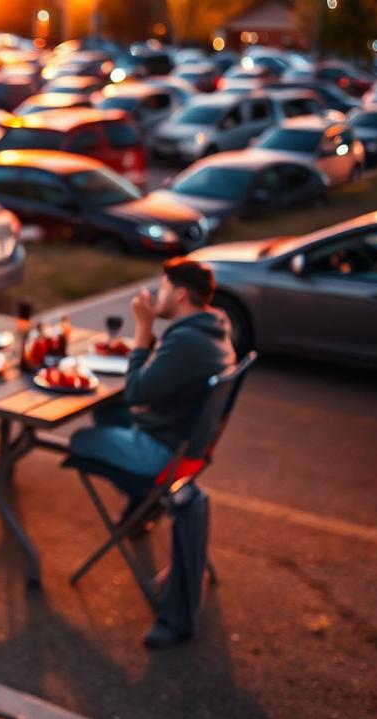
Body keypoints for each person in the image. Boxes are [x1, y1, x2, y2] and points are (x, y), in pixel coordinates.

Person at [68, 257, 236, 649]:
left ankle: (143, 501)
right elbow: (155, 385)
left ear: (179, 293)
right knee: (108, 411)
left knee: (80, 440)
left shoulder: (187, 339)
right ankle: (139, 513)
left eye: (161, 288)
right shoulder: (214, 329)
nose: (155, 295)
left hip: (163, 456)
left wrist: (143, 328)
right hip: (188, 447)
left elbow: (139, 391)